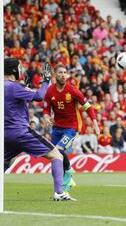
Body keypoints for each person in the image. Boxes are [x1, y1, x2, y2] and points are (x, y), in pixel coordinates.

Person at [4, 58, 75, 201]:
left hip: (4, 133)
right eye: (19, 67)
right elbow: (40, 96)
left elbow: (16, 102)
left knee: (7, 161)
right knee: (56, 155)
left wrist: (27, 88)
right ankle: (60, 193)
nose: (21, 70)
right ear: (13, 70)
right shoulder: (13, 86)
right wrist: (46, 80)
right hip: (20, 131)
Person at [44, 65, 100, 192]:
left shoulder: (72, 90)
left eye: (65, 72)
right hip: (57, 127)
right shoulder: (50, 91)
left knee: (59, 149)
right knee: (54, 155)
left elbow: (88, 107)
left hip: (72, 127)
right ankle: (64, 184)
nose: (63, 75)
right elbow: (46, 108)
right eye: (60, 72)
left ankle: (68, 171)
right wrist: (47, 117)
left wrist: (95, 123)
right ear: (55, 75)